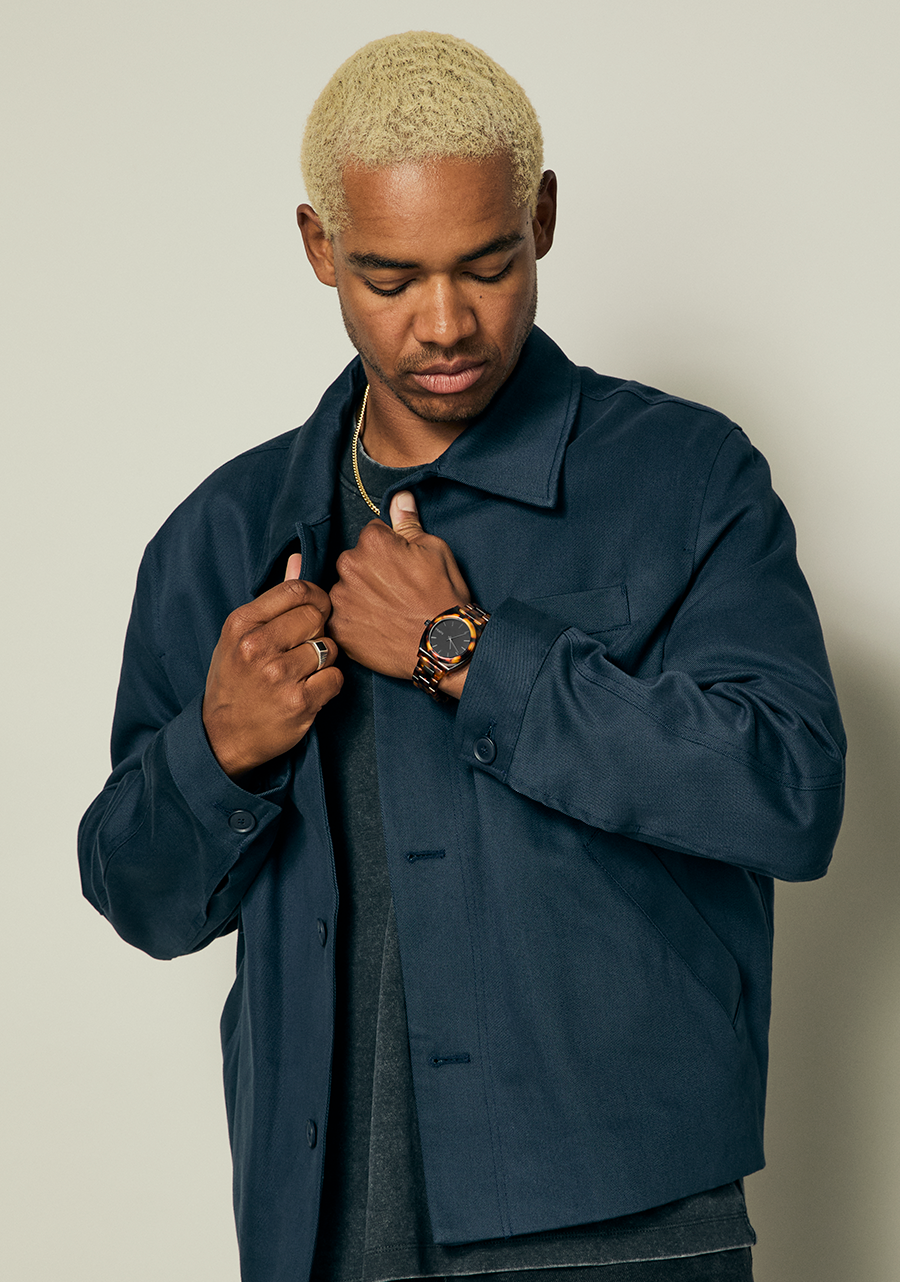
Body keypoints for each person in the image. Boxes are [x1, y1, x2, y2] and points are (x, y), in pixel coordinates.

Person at [78, 30, 845, 1282]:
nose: (445, 324)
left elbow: (792, 792)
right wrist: (217, 752)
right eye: (390, 278)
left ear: (540, 220)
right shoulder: (225, 534)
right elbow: (140, 897)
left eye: (487, 266)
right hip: (321, 1227)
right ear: (320, 247)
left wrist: (468, 653)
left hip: (618, 1228)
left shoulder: (686, 479)